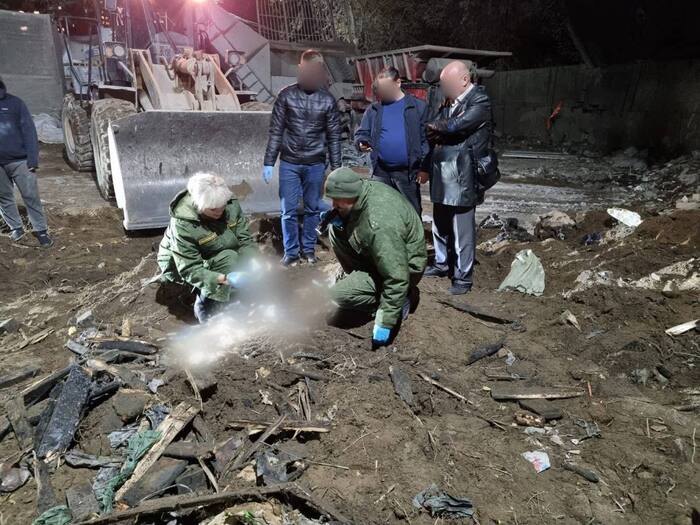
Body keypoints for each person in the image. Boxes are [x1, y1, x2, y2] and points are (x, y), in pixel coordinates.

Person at [323, 167, 427, 347]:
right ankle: (361, 280)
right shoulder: (361, 190)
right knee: (334, 228)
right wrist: (342, 226)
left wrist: (385, 321)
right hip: (384, 257)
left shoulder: (378, 224)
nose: (333, 205)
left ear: (350, 195)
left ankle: (405, 298)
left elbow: (397, 276)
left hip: (405, 269)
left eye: (337, 200)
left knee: (337, 295)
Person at [423, 61, 499, 295]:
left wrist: (438, 127)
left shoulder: (480, 101)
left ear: (464, 80)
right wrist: (439, 128)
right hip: (443, 171)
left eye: (447, 83)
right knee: (440, 222)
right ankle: (441, 263)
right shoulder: (449, 101)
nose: (443, 88)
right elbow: (438, 129)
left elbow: (457, 126)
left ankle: (463, 277)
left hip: (464, 173)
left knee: (462, 228)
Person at [262, 49, 342, 267]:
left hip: (315, 164)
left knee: (312, 209)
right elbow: (276, 131)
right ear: (300, 69)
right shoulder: (286, 96)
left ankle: (308, 250)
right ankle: (291, 252)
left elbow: (334, 138)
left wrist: (337, 170)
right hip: (290, 163)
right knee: (288, 210)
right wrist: (269, 162)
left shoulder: (327, 101)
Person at [157, 173, 259, 323]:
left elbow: (244, 239)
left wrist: (251, 261)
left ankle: (233, 299)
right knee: (228, 259)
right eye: (213, 209)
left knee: (241, 261)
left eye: (222, 206)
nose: (219, 211)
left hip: (215, 247)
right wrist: (224, 279)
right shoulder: (183, 224)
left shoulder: (229, 204)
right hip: (179, 263)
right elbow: (190, 268)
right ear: (199, 205)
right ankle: (206, 309)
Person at [353, 66, 429, 216]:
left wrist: (424, 168)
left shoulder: (417, 107)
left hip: (407, 173)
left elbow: (426, 139)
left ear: (398, 83)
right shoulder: (374, 110)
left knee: (411, 214)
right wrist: (362, 142)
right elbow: (362, 133)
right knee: (382, 213)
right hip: (381, 172)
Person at [0, 75, 52, 247]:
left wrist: (32, 159)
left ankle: (41, 230)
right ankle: (16, 228)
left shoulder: (15, 104)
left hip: (20, 161)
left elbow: (29, 131)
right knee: (4, 197)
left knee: (31, 196)